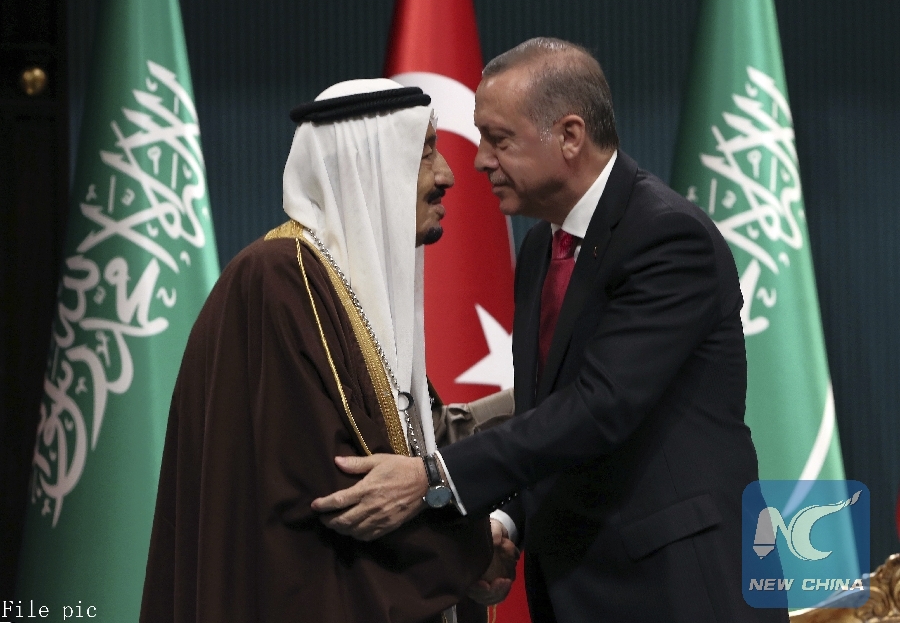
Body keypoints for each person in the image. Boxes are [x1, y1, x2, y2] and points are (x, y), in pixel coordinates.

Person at [310, 40, 790, 623]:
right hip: (583, 588)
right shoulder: (544, 245)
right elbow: (551, 419)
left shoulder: (666, 238)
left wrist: (434, 477)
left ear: (569, 136)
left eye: (499, 139)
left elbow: (600, 408)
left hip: (681, 588)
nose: (479, 161)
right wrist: (504, 523)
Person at [139, 78, 515, 623]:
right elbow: (338, 488)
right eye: (425, 151)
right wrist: (473, 548)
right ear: (368, 164)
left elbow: (419, 440)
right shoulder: (281, 280)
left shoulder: (340, 283)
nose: (447, 176)